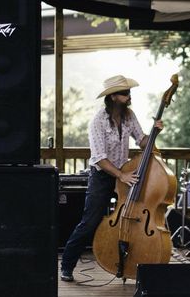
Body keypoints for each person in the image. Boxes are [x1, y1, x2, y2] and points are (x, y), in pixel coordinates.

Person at [60, 74, 162, 282]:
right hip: (102, 176)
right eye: (124, 93)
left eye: (128, 92)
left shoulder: (129, 115)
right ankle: (67, 265)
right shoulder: (98, 121)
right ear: (113, 97)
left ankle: (130, 262)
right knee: (89, 222)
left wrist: (155, 133)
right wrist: (121, 175)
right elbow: (99, 158)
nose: (128, 96)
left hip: (124, 173)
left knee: (133, 217)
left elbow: (142, 140)